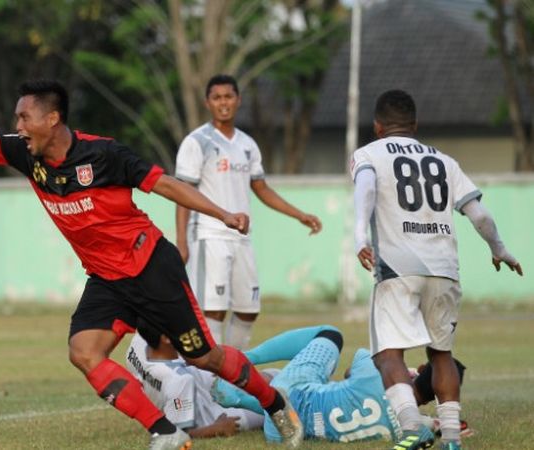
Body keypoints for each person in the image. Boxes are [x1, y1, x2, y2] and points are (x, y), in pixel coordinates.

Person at [0, 79, 305, 450]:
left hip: (151, 266)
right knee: (84, 352)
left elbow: (166, 184)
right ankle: (165, 431)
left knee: (204, 356)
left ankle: (274, 404)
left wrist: (223, 214)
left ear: (52, 119)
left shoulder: (105, 155)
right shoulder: (26, 154)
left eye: (24, 118)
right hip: (106, 279)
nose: (17, 128)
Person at [351, 89, 523, 450]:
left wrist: (357, 236)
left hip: (398, 267)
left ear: (377, 126)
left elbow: (365, 188)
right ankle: (450, 439)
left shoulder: (368, 154)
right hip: (444, 268)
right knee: (440, 354)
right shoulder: (444, 160)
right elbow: (480, 215)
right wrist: (500, 249)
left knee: (387, 354)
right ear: (415, 125)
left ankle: (412, 427)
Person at [174, 74, 322, 350]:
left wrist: (299, 214)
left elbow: (262, 189)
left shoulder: (247, 145)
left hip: (241, 238)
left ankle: (233, 368)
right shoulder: (196, 142)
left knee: (248, 309)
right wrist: (182, 241)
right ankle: (213, 380)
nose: (223, 103)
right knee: (213, 310)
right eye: (217, 98)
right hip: (209, 236)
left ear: (238, 100)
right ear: (208, 103)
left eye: (228, 96)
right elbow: (183, 194)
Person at [210, 325, 470, 445]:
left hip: (290, 396)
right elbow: (430, 425)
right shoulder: (414, 426)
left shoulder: (378, 373)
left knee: (330, 335)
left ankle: (241, 358)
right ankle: (242, 399)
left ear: (423, 369)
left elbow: (349, 371)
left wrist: (403, 371)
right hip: (281, 435)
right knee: (311, 391)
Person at [125, 320, 266, 439]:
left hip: (203, 383)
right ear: (166, 338)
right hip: (212, 415)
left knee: (268, 378)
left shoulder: (139, 342)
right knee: (270, 409)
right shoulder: (179, 380)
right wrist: (218, 428)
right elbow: (177, 434)